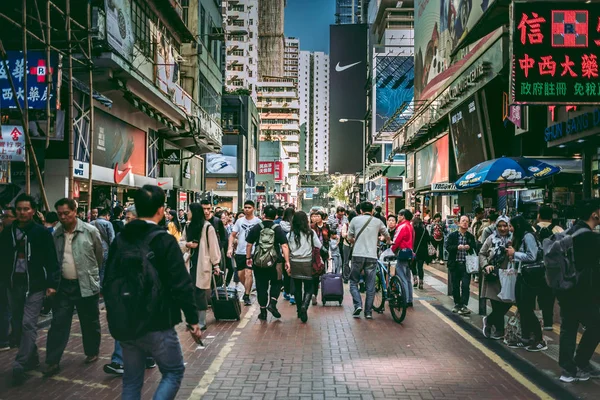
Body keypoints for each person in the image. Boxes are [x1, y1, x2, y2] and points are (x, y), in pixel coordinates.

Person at [104, 185, 201, 399]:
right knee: (173, 371)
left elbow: (108, 280)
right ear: (160, 210)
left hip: (126, 322)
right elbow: (181, 284)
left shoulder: (120, 239)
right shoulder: (164, 240)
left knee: (131, 381)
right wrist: (193, 320)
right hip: (157, 321)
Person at [0, 194, 59, 385]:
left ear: (33, 211)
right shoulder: (8, 232)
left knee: (28, 324)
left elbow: (51, 260)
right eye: (19, 209)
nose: (23, 212)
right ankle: (32, 356)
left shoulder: (41, 233)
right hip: (13, 283)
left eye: (26, 209)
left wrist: (51, 284)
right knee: (17, 322)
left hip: (34, 286)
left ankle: (20, 363)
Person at [44, 198, 104, 377]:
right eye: (60, 214)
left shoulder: (90, 231)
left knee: (90, 321)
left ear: (75, 212)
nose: (63, 217)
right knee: (58, 323)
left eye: (66, 213)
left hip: (85, 285)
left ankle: (92, 351)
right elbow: (54, 260)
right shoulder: (56, 233)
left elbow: (99, 256)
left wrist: (92, 277)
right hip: (63, 287)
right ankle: (52, 361)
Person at [103, 205, 156, 376]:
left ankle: (148, 356)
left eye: (130, 218)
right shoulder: (120, 238)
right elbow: (111, 263)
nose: (127, 221)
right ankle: (118, 361)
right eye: (126, 218)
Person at [556, 199, 600, 382]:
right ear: (594, 214)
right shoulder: (590, 237)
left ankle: (568, 369)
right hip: (584, 292)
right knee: (597, 325)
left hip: (565, 288)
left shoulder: (571, 231)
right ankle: (581, 361)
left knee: (568, 327)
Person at [505, 215, 547, 352]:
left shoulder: (528, 236)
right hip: (522, 275)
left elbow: (532, 256)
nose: (509, 229)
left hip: (531, 277)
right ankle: (526, 337)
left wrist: (515, 253)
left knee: (527, 308)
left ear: (517, 225)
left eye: (511, 226)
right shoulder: (520, 236)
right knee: (522, 307)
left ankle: (539, 339)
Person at [245, 205, 290, 320]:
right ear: (275, 216)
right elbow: (284, 245)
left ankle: (263, 311)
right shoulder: (277, 228)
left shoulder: (256, 227)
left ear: (263, 215)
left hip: (258, 262)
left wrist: (248, 258)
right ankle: (273, 303)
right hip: (276, 262)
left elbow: (249, 244)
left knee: (261, 286)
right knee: (277, 282)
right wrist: (287, 261)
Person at [348, 202, 391, 319]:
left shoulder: (354, 220)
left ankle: (358, 305)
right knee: (370, 285)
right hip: (372, 256)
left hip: (357, 255)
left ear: (361, 210)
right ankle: (368, 312)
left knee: (353, 281)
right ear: (372, 211)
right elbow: (386, 235)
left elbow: (349, 237)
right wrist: (388, 241)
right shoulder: (378, 221)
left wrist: (355, 242)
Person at [479, 216, 513, 340]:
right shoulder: (491, 239)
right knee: (496, 304)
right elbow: (482, 253)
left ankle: (489, 320)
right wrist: (486, 265)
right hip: (494, 276)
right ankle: (499, 330)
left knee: (508, 302)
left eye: (505, 225)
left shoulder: (514, 239)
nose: (503, 228)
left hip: (509, 276)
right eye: (500, 226)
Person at [287, 211, 322, 323]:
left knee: (297, 287)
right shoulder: (311, 233)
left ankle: (298, 309)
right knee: (309, 287)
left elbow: (285, 248)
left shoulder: (290, 234)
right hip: (308, 262)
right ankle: (304, 306)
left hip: (294, 262)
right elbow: (318, 246)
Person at [227, 201, 261, 306]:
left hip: (253, 251)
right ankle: (248, 289)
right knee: (240, 274)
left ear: (253, 209)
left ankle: (246, 295)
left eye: (249, 207)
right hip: (240, 252)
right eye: (245, 207)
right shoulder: (239, 221)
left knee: (248, 273)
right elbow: (232, 235)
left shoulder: (258, 221)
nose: (246, 209)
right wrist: (230, 247)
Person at [535, 205, 563, 330]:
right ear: (552, 217)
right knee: (550, 294)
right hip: (553, 268)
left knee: (536, 294)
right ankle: (547, 322)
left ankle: (536, 321)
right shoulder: (559, 230)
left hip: (535, 268)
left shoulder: (532, 229)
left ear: (538, 216)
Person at [446, 215, 477, 315]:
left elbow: (475, 248)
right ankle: (457, 304)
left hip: (466, 265)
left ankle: (463, 305)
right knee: (455, 285)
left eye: (467, 221)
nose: (465, 223)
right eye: (463, 221)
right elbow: (447, 247)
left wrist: (470, 247)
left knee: (465, 285)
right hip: (455, 264)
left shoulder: (470, 236)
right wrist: (457, 247)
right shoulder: (453, 236)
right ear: (458, 223)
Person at [392, 209, 415, 306]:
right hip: (409, 253)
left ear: (403, 216)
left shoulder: (402, 226)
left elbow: (396, 240)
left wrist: (391, 250)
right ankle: (409, 299)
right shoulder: (410, 226)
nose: (398, 217)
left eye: (399, 215)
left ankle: (404, 299)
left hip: (401, 253)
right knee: (408, 277)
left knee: (402, 277)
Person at [90, 208, 116, 285]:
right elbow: (112, 239)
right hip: (104, 249)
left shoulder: (91, 223)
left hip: (92, 249)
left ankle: (93, 285)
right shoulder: (108, 224)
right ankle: (100, 286)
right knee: (103, 269)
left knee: (93, 269)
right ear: (107, 215)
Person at [311, 211, 331, 305]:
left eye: (317, 216)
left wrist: (327, 252)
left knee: (323, 274)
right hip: (314, 253)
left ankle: (325, 295)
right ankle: (314, 294)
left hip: (323, 252)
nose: (316, 218)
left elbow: (328, 238)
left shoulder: (326, 226)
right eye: (314, 216)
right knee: (315, 273)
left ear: (321, 217)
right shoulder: (311, 227)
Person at [280, 207, 296, 305]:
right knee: (293, 274)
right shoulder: (294, 225)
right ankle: (293, 294)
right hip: (294, 252)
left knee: (285, 273)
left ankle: (286, 291)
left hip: (283, 251)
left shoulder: (279, 225)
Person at [412, 217, 431, 290]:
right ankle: (421, 281)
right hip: (423, 251)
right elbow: (428, 239)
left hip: (414, 250)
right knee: (420, 267)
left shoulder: (413, 230)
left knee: (413, 265)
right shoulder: (424, 230)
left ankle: (415, 279)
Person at [218, 210, 235, 287]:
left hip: (226, 250)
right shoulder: (217, 228)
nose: (225, 219)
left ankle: (226, 284)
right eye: (223, 218)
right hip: (220, 250)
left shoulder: (227, 227)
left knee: (231, 268)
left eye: (225, 218)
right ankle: (220, 285)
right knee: (222, 268)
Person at [341, 210, 357, 282]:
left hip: (354, 244)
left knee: (353, 261)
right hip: (347, 244)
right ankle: (346, 277)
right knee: (346, 261)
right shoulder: (346, 225)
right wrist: (349, 234)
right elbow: (343, 235)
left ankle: (351, 276)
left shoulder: (356, 225)